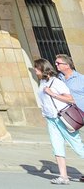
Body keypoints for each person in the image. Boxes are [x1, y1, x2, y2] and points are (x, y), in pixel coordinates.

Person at [34, 57, 84, 185]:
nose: (34, 70)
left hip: (63, 118)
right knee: (57, 147)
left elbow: (71, 99)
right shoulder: (43, 83)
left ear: (42, 68)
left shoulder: (56, 82)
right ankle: (63, 176)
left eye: (36, 67)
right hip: (51, 119)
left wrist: (53, 94)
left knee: (77, 146)